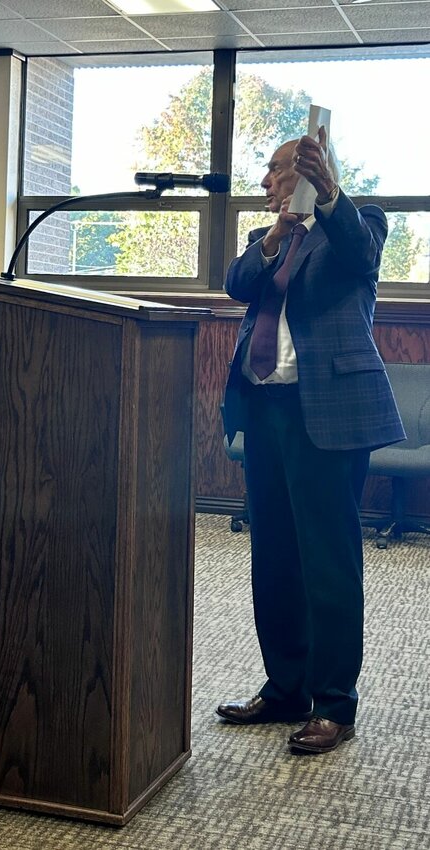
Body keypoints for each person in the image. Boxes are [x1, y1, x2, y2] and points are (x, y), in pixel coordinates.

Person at [219, 129, 405, 754]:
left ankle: (334, 704)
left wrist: (330, 196)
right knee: (273, 556)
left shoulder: (358, 222)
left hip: (327, 412)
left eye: (276, 172)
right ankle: (286, 688)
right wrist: (273, 238)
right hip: (264, 407)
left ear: (308, 174)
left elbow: (362, 255)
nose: (267, 183)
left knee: (327, 561)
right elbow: (237, 284)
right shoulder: (263, 239)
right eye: (267, 174)